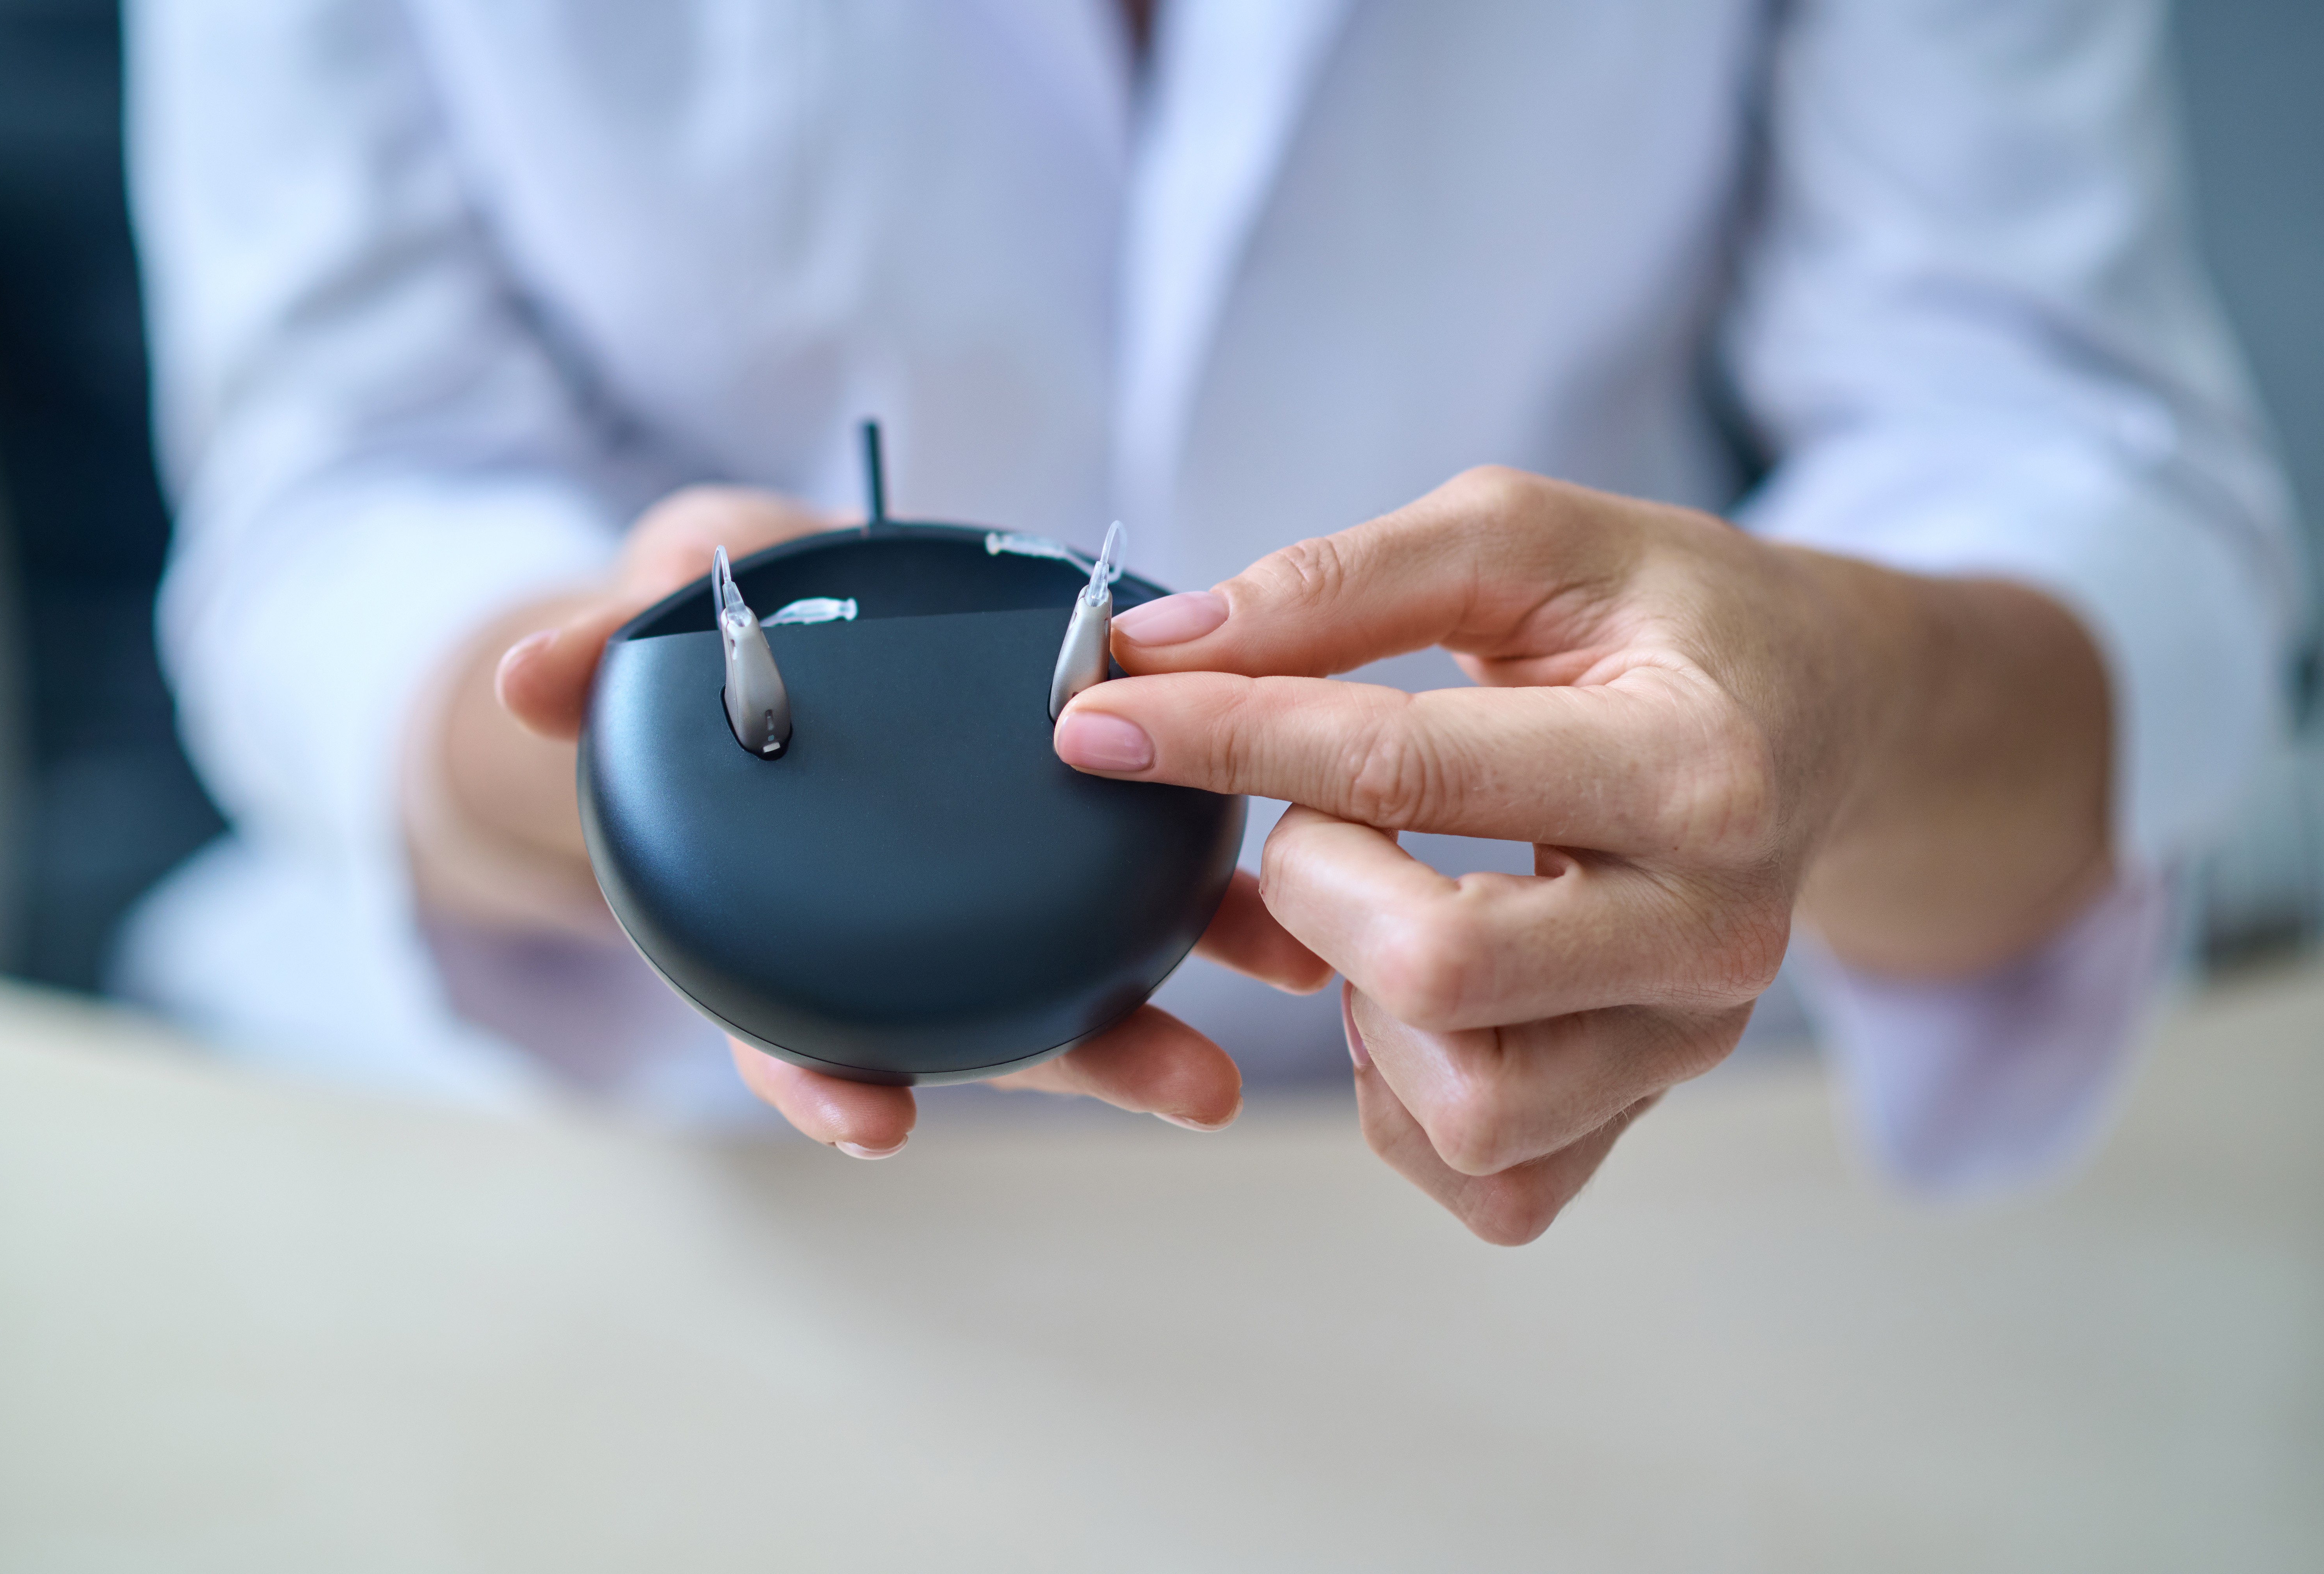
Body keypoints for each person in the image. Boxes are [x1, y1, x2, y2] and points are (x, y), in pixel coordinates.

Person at [119, 0, 2301, 1243]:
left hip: (1664, 1190)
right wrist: (586, 756)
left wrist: (1833, 713)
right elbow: (333, 489)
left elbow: (2061, 442)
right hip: (596, 1189)